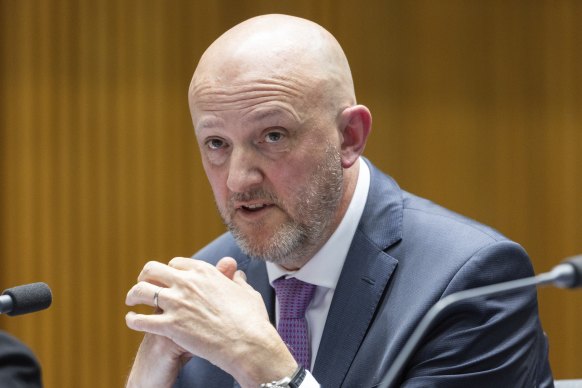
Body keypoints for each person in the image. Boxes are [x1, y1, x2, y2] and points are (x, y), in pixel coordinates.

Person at [125, 14, 553, 387]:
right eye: (217, 143)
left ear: (349, 137)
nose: (238, 179)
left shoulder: (469, 282)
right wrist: (148, 377)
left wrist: (264, 366)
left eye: (273, 136)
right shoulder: (209, 284)